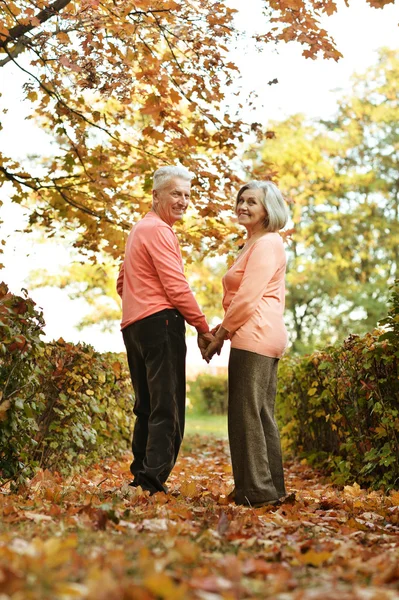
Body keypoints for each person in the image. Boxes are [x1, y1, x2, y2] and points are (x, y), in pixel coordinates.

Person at [116, 165, 214, 495]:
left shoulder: (138, 230)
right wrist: (202, 327)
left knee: (146, 405)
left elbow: (121, 282)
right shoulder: (159, 230)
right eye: (176, 193)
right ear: (156, 195)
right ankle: (150, 482)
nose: (184, 200)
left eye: (187, 195)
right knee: (167, 407)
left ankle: (140, 478)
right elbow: (176, 286)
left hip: (134, 326)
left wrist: (140, 299)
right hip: (161, 323)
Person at [205, 180, 289, 508]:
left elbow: (248, 298)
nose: (243, 206)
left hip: (254, 336)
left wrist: (219, 338)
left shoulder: (267, 243)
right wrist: (220, 327)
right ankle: (270, 489)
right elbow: (243, 299)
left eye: (251, 201)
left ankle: (256, 492)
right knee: (259, 413)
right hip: (258, 332)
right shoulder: (255, 243)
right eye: (241, 200)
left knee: (245, 415)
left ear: (268, 210)